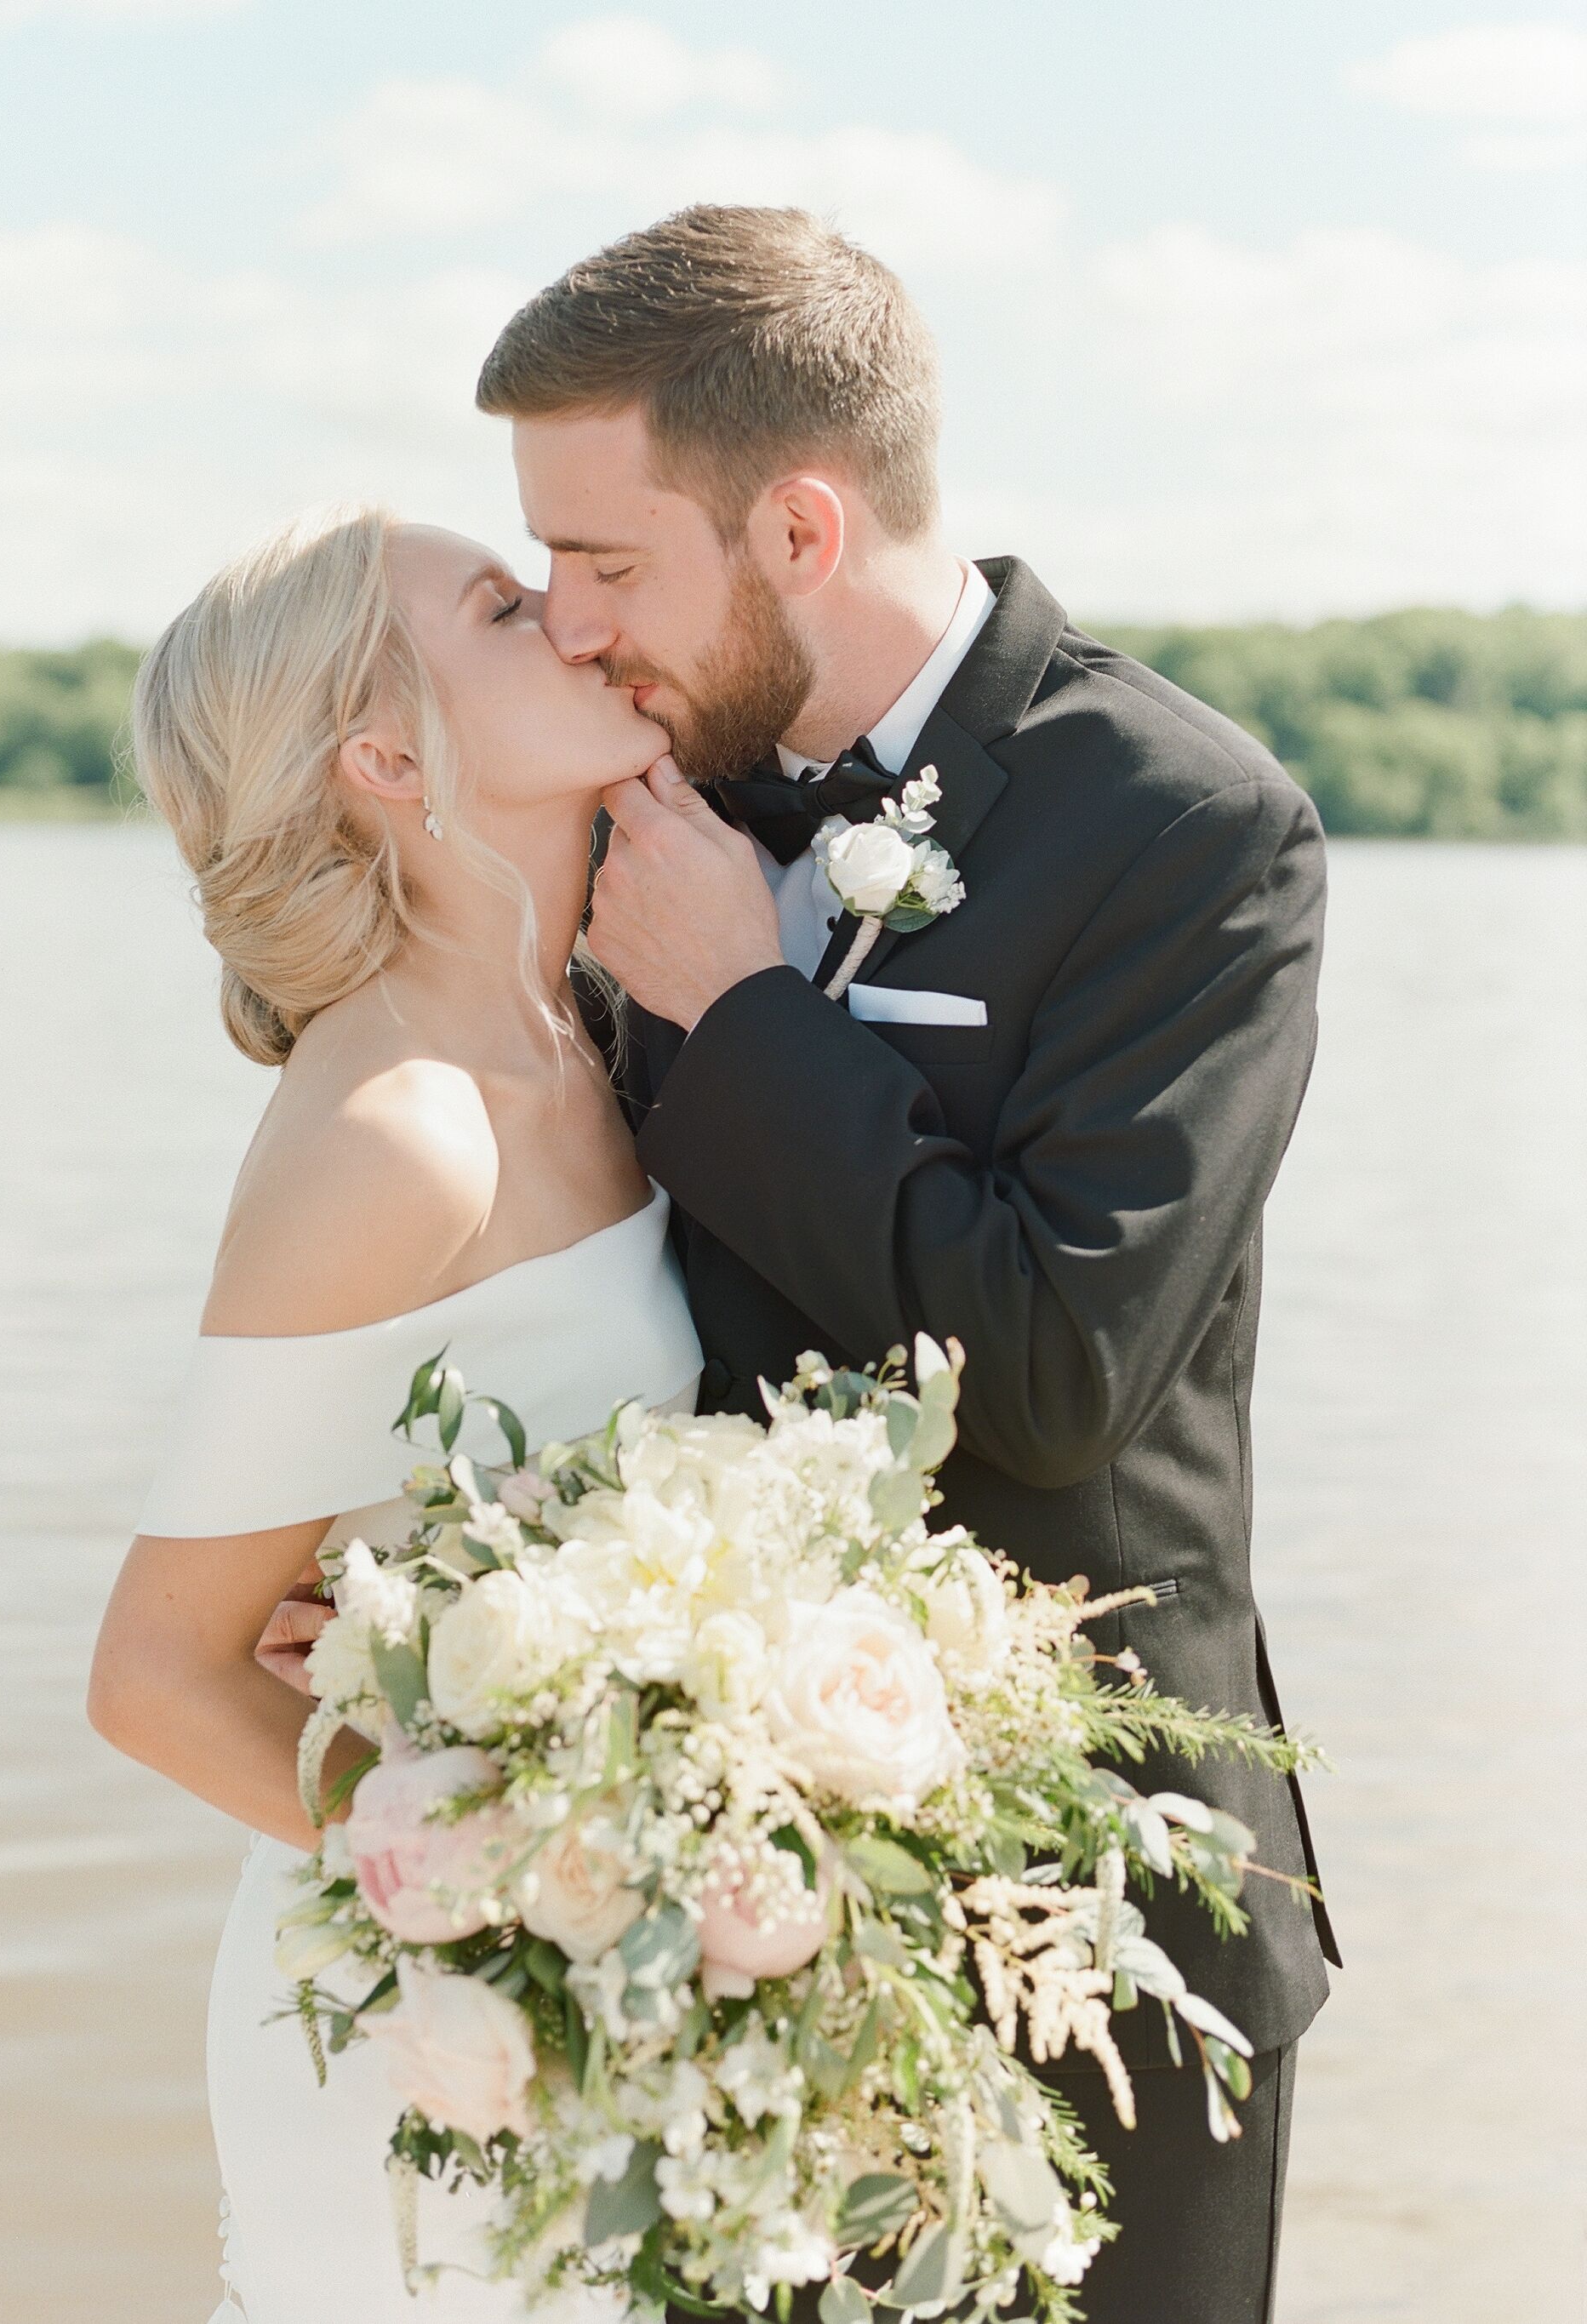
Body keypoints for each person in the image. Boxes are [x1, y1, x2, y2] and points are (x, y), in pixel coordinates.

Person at [471, 204, 1339, 2324]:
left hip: (1095, 1927)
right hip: (694, 1904)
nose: (573, 630)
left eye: (605, 561)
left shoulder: (1189, 833)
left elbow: (1054, 1366)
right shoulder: (643, 790)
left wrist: (749, 1019)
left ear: (793, 521)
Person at [88, 506, 703, 2323]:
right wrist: (522, 1882)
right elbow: (157, 1676)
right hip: (418, 2022)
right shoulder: (394, 1130)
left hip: (586, 2000)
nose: (582, 626)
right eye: (509, 611)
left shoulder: (585, 1031)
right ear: (384, 756)